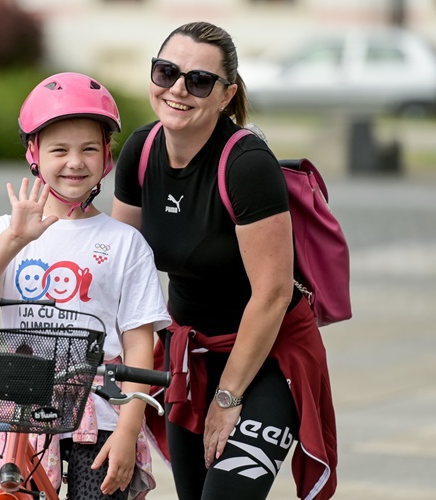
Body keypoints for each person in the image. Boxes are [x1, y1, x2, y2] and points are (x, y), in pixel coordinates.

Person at [111, 22, 338, 500]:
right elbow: (122, 268)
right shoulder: (141, 149)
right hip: (191, 356)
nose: (177, 89)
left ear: (225, 94)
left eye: (198, 80)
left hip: (268, 356)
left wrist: (228, 397)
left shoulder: (245, 164)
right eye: (166, 71)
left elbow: (273, 293)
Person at [0, 72, 172, 499]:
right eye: (59, 150)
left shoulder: (125, 243)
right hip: (20, 412)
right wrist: (15, 239)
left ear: (107, 157)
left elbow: (139, 343)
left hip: (101, 414)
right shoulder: (5, 229)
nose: (75, 162)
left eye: (89, 149)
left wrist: (129, 430)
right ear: (34, 154)